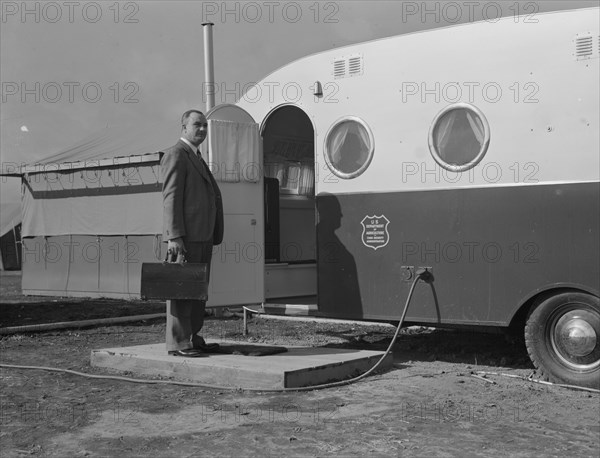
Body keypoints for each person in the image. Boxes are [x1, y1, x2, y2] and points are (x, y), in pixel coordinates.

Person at [160, 109, 224, 357]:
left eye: (205, 126)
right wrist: (174, 236)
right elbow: (171, 197)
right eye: (197, 125)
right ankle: (177, 342)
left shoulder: (196, 156)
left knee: (198, 292)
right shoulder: (176, 154)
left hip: (202, 236)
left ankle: (192, 337)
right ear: (183, 127)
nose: (202, 130)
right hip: (185, 238)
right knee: (180, 291)